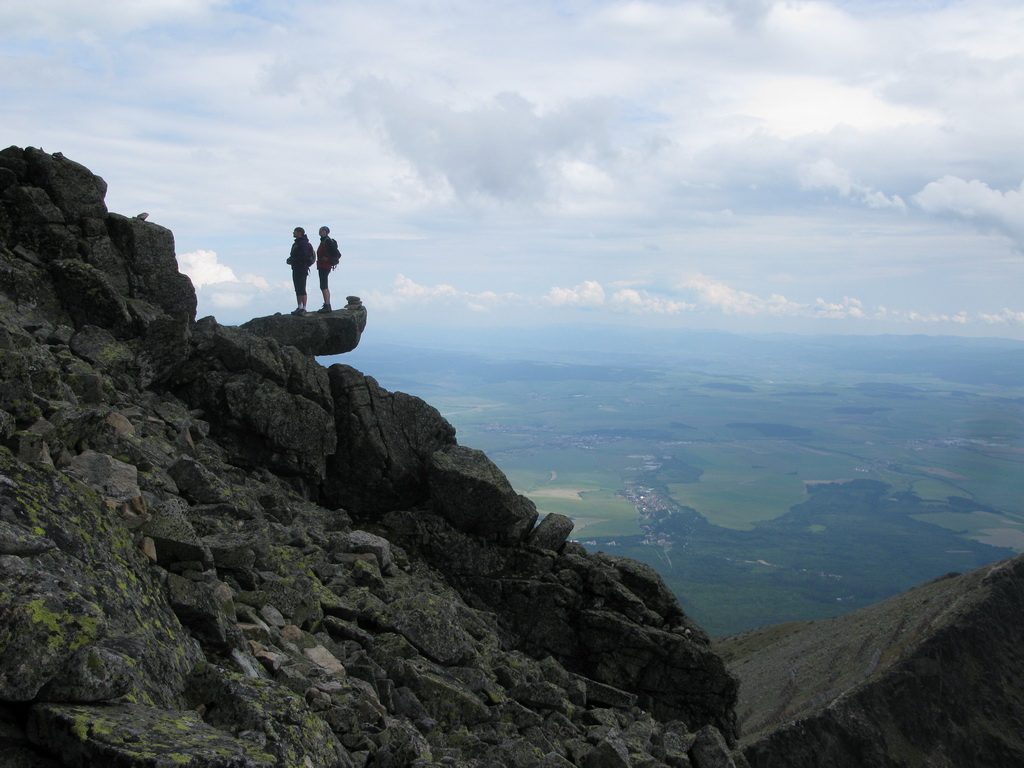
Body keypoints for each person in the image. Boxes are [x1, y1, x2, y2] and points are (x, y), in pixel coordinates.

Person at [287, 226, 315, 315]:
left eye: (294, 232)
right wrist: (290, 259)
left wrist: (293, 260)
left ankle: (304, 308)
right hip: (296, 267)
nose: (293, 233)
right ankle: (299, 306)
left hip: (302, 268)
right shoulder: (296, 244)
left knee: (302, 287)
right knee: (297, 288)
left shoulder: (303, 243)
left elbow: (303, 256)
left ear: (299, 232)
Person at [315, 225, 341, 313]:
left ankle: (327, 305)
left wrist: (328, 259)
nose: (320, 231)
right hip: (323, 265)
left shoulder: (327, 241)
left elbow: (336, 254)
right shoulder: (324, 241)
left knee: (323, 285)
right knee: (323, 285)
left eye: (322, 230)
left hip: (325, 266)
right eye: (320, 230)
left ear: (326, 232)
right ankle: (327, 304)